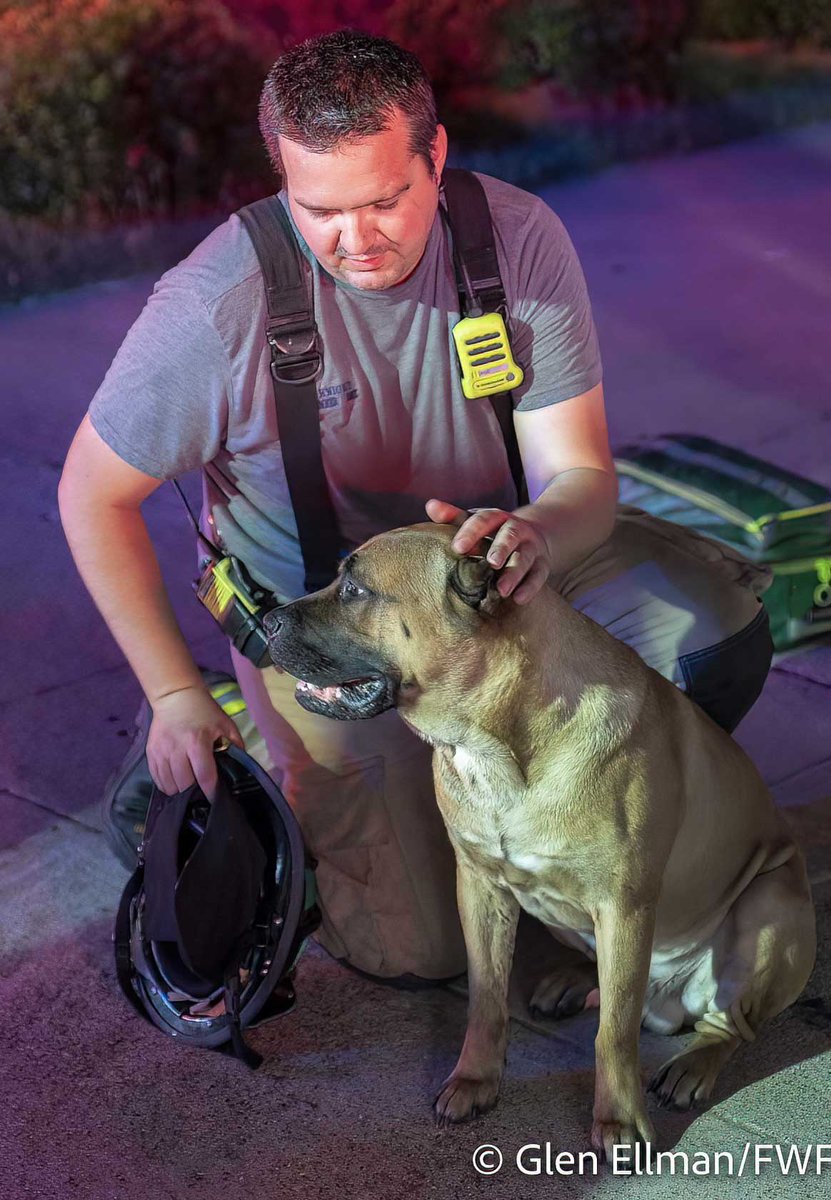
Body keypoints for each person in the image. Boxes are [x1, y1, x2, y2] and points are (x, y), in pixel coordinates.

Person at [58, 30, 773, 985]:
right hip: (325, 620)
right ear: (281, 184)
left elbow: (583, 482)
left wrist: (536, 536)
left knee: (711, 635)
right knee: (428, 953)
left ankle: (583, 838)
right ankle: (234, 741)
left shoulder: (515, 239)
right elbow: (91, 496)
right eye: (322, 211)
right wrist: (171, 694)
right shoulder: (214, 307)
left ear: (436, 156)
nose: (360, 241)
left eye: (388, 199)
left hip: (490, 575)